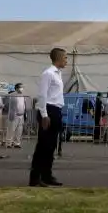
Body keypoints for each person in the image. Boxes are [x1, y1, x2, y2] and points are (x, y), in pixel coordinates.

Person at [29, 48, 67, 187]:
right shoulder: (48, 74)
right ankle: (35, 177)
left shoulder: (58, 74)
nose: (66, 60)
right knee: (43, 145)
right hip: (48, 110)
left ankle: (47, 175)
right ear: (58, 58)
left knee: (51, 146)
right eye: (65, 58)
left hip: (56, 109)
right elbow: (42, 95)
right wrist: (44, 115)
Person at [6, 83, 26, 148]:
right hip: (14, 115)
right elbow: (8, 105)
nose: (22, 89)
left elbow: (23, 105)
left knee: (19, 130)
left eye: (22, 87)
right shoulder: (12, 95)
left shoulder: (23, 95)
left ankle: (17, 143)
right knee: (11, 129)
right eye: (21, 87)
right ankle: (9, 143)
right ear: (16, 88)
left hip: (21, 115)